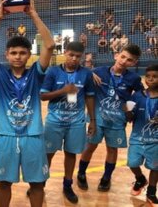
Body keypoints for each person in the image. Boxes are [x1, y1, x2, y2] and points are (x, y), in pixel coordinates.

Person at [0, 0, 55, 207]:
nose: (18, 56)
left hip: (33, 136)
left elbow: (49, 45)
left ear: (29, 54)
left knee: (37, 183)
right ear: (7, 54)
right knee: (4, 182)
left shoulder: (36, 74)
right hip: (7, 136)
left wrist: (33, 14)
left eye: (22, 52)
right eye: (13, 52)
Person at [77, 44, 144, 192]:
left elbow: (139, 96)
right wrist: (88, 72)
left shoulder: (134, 78)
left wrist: (128, 109)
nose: (124, 61)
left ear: (133, 63)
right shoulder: (99, 71)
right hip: (97, 119)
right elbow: (78, 77)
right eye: (123, 56)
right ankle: (81, 173)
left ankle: (106, 177)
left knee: (112, 149)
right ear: (116, 55)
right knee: (90, 147)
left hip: (117, 121)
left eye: (129, 60)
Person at [40, 42, 95, 204]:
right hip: (54, 121)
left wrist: (92, 120)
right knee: (48, 154)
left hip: (77, 121)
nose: (74, 59)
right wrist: (63, 91)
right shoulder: (53, 71)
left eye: (78, 56)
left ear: (82, 57)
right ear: (65, 53)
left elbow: (90, 96)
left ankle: (67, 185)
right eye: (71, 55)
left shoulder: (86, 73)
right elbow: (43, 96)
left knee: (71, 153)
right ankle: (40, 184)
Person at [126, 64, 158, 207]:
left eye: (155, 77)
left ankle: (151, 191)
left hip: (155, 141)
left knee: (155, 167)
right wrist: (127, 112)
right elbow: (129, 116)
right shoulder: (137, 95)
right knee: (132, 163)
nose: (150, 79)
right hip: (137, 138)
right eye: (148, 76)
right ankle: (140, 179)